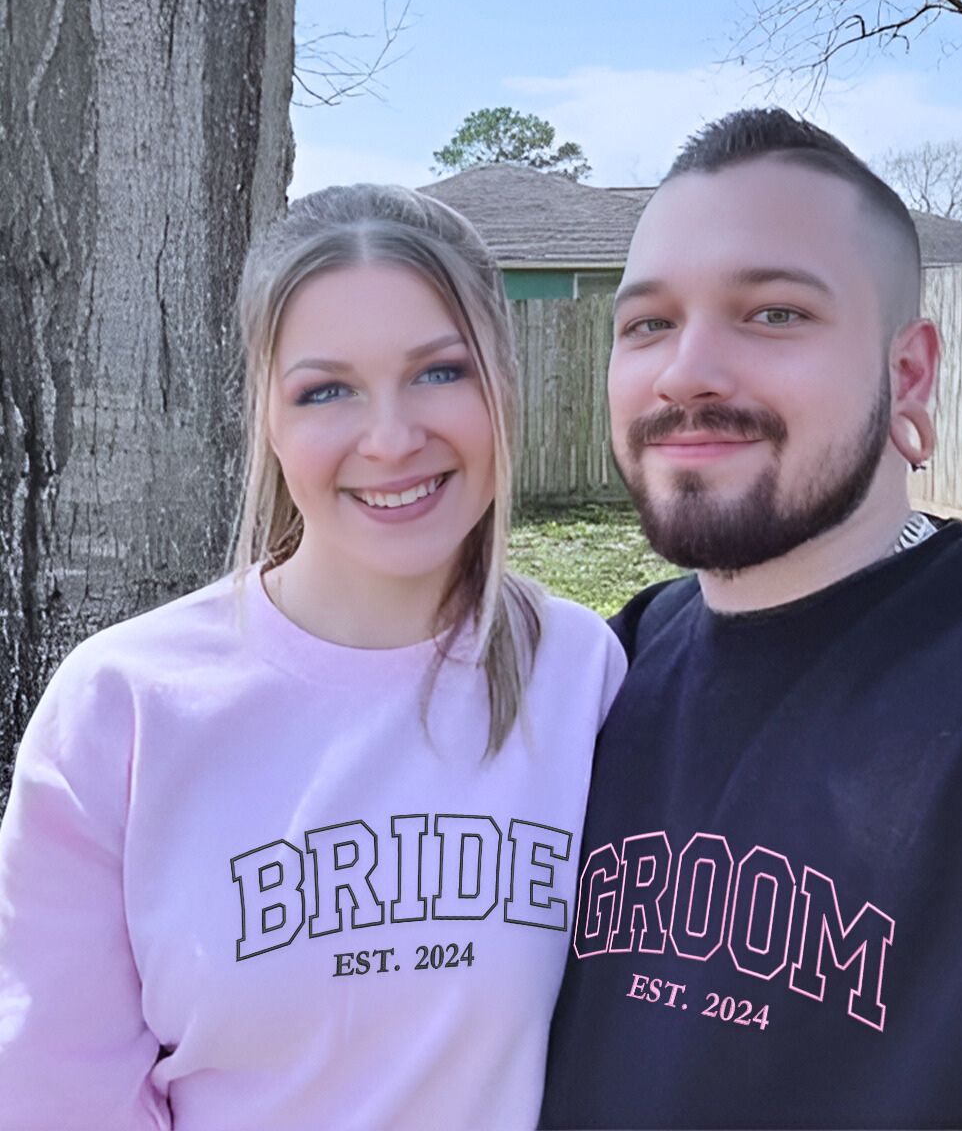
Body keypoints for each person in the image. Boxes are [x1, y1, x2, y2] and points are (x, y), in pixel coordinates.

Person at [539, 109, 962, 1129]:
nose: (685, 371)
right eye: (648, 323)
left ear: (908, 375)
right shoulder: (597, 673)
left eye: (774, 314)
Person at [0, 185, 626, 1130]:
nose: (391, 439)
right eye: (326, 389)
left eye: (440, 372)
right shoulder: (123, 706)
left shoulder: (582, 673)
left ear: (504, 381)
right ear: (271, 420)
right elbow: (55, 1094)